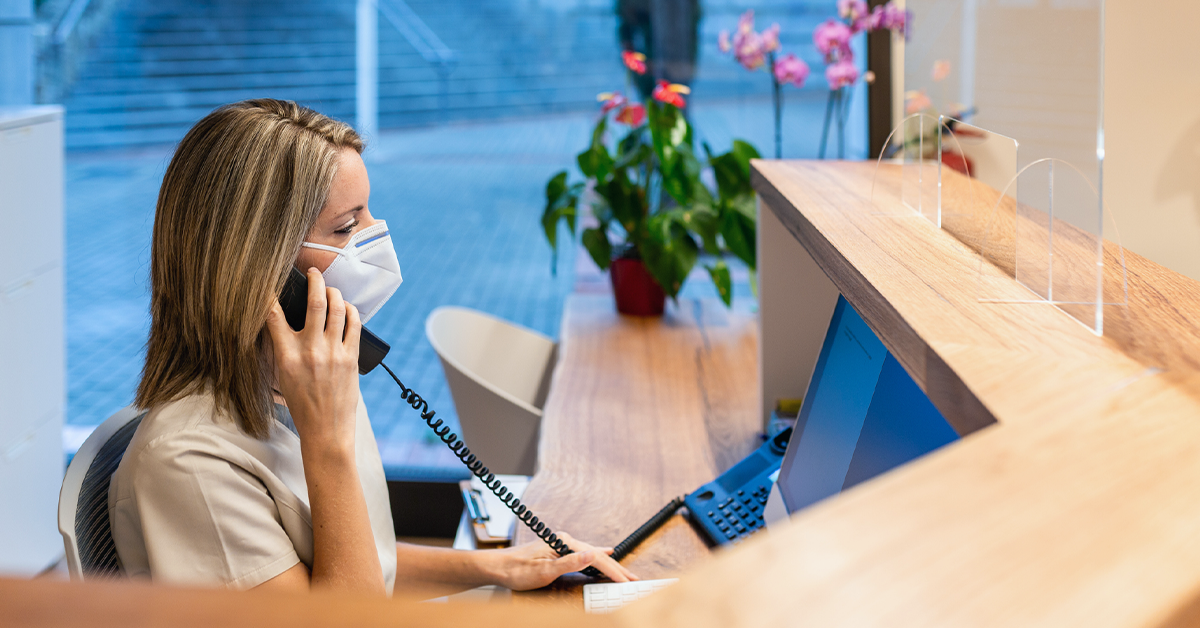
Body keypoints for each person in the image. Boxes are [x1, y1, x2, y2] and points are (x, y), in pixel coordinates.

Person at [108, 99, 636, 594]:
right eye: (346, 225)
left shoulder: (311, 378)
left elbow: (347, 555)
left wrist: (494, 565)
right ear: (259, 270)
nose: (376, 233)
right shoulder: (189, 464)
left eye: (367, 212)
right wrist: (327, 441)